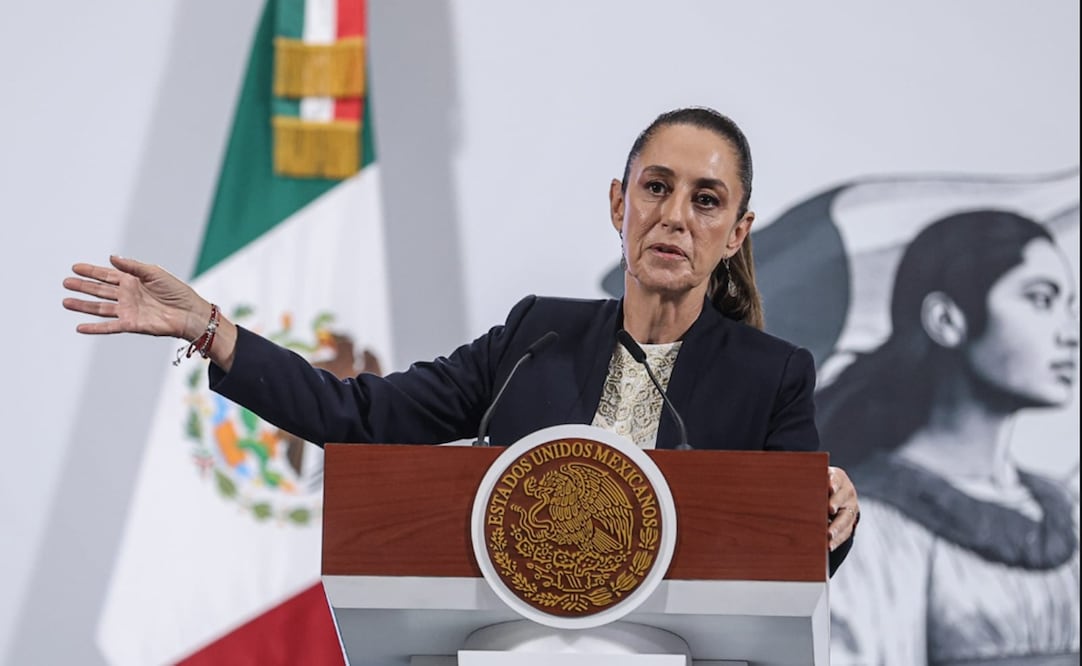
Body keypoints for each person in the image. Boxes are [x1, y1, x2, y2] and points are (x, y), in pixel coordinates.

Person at [63, 107, 860, 571]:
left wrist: (836, 515)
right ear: (620, 203)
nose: (675, 216)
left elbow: (796, 549)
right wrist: (211, 328)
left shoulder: (773, 376)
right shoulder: (537, 337)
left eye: (707, 200)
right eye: (657, 188)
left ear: (738, 232)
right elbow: (358, 417)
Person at [820, 210, 1080, 664]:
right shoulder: (872, 523)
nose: (1071, 333)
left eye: (1070, 306)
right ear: (946, 319)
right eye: (1041, 299)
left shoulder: (1064, 507)